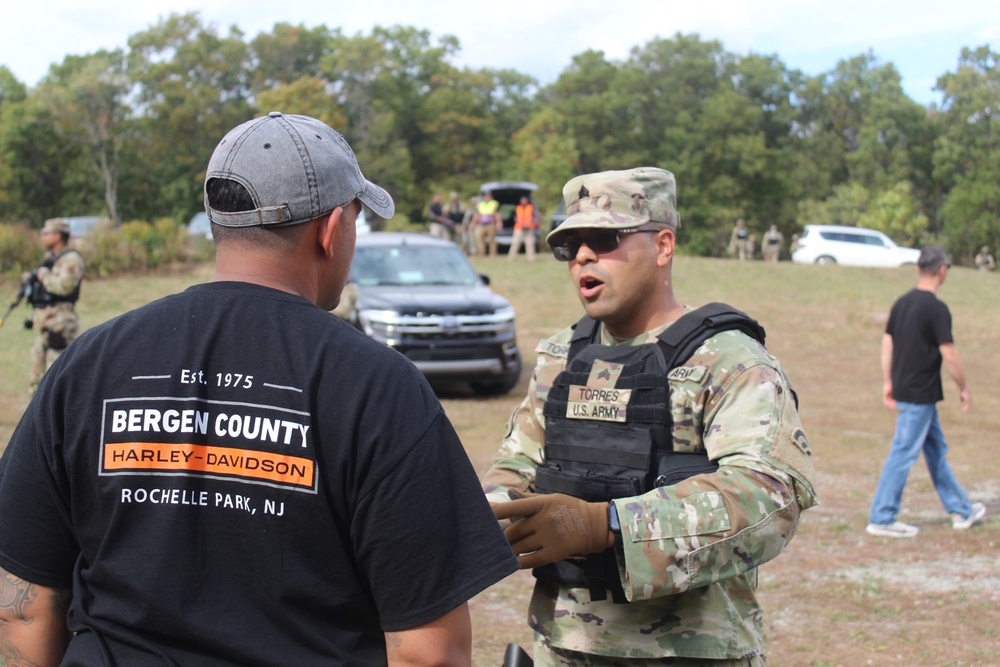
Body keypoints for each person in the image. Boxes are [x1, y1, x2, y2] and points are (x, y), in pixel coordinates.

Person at [0, 112, 517, 665]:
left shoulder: (91, 363)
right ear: (331, 228)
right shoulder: (377, 387)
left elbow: (23, 607)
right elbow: (429, 654)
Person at [483, 167, 817, 666]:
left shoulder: (728, 360)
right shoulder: (561, 356)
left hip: (691, 650)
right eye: (568, 246)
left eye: (603, 238)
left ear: (663, 246)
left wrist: (609, 525)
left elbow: (771, 497)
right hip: (566, 645)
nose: (583, 257)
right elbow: (518, 467)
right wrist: (490, 511)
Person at [866, 246, 986, 538]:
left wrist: (888, 381)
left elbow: (887, 343)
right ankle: (882, 516)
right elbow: (950, 352)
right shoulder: (936, 308)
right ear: (942, 270)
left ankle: (962, 510)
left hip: (914, 392)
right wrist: (964, 388)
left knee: (935, 452)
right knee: (904, 452)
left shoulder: (902, 303)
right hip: (920, 394)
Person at [25, 217, 85, 394]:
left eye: (46, 233)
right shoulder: (50, 259)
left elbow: (65, 287)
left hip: (60, 325)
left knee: (57, 375)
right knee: (36, 375)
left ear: (58, 236)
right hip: (43, 324)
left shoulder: (71, 260)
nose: (42, 236)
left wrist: (44, 277)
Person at [508, 195, 539, 261]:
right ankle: (511, 257)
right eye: (523, 200)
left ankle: (531, 258)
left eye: (525, 200)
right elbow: (515, 218)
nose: (524, 201)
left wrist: (533, 224)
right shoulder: (518, 208)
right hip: (519, 228)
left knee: (530, 243)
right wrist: (521, 224)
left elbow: (535, 217)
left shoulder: (531, 207)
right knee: (515, 243)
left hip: (529, 228)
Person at [475, 191, 501, 256]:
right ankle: (482, 253)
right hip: (482, 224)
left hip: (490, 223)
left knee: (492, 239)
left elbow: (497, 214)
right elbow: (478, 214)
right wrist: (474, 223)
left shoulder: (494, 203)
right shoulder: (481, 204)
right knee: (480, 239)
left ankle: (493, 254)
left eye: (489, 196)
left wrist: (499, 222)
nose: (487, 198)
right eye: (486, 196)